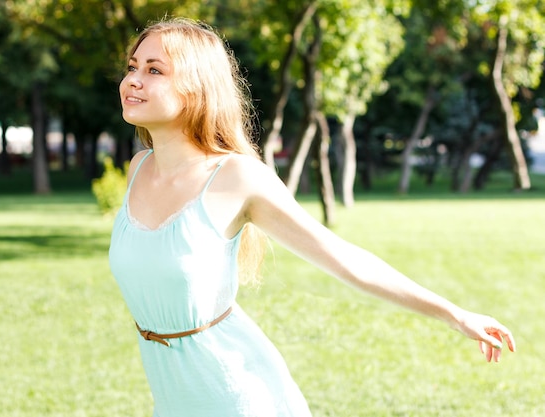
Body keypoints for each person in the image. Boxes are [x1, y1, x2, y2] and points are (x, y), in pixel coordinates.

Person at [108, 17, 516, 417]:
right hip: (175, 400)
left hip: (238, 396)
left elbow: (344, 259)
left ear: (196, 88)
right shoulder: (138, 169)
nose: (133, 80)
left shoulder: (236, 177)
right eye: (133, 67)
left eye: (154, 69)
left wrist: (456, 315)